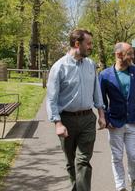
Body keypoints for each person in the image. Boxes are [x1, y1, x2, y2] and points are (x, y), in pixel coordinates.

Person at [46, 29, 106, 191]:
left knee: (83, 161)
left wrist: (101, 114)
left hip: (87, 119)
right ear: (77, 44)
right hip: (67, 120)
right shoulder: (59, 67)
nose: (91, 47)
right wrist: (58, 123)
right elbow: (51, 98)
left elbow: (96, 91)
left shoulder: (90, 65)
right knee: (71, 162)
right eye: (89, 43)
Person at [99, 42, 135, 191]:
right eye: (130, 53)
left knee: (134, 155)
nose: (132, 56)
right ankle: (120, 186)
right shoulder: (105, 75)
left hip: (133, 121)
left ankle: (133, 179)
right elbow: (101, 100)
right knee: (117, 157)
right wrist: (106, 120)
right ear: (119, 55)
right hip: (115, 123)